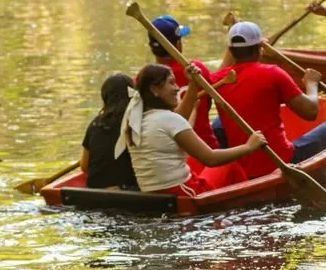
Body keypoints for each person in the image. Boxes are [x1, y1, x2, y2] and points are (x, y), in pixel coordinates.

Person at [210, 21, 326, 178]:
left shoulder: (216, 81)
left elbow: (219, 73)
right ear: (259, 48)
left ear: (231, 50)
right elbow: (311, 112)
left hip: (242, 167)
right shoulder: (273, 73)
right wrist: (311, 84)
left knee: (219, 122)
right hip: (280, 161)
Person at [116, 63, 266, 195]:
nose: (177, 88)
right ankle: (248, 207)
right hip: (184, 192)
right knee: (230, 165)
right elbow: (211, 158)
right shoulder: (168, 119)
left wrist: (193, 84)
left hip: (154, 194)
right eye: (171, 83)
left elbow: (179, 122)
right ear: (155, 89)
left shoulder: (136, 119)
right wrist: (249, 146)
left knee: (194, 163)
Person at [148, 14, 221, 148]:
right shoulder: (197, 69)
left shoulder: (142, 80)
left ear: (150, 46)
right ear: (177, 43)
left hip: (168, 154)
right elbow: (209, 103)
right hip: (207, 147)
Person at [80, 72, 138, 189]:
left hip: (93, 192)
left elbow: (84, 166)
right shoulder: (138, 121)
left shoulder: (95, 123)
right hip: (127, 191)